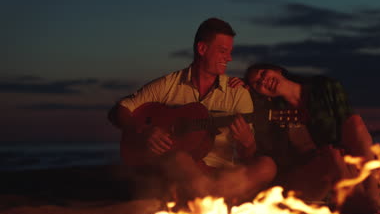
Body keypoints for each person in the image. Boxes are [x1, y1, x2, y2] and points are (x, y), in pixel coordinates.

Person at [108, 18, 276, 203]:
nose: (229, 58)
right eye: (222, 51)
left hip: (224, 176)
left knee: (267, 166)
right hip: (181, 172)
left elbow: (247, 156)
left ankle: (207, 198)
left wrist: (248, 143)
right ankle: (218, 202)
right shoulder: (169, 84)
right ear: (202, 49)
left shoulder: (237, 93)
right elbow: (120, 110)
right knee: (180, 158)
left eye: (230, 52)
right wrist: (144, 129)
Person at [240, 63, 380, 214]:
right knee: (332, 155)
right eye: (257, 84)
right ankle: (366, 206)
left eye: (263, 73)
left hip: (343, 163)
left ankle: (372, 198)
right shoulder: (270, 109)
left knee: (356, 124)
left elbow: (350, 126)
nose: (263, 81)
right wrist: (239, 85)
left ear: (278, 71)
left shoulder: (324, 87)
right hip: (307, 175)